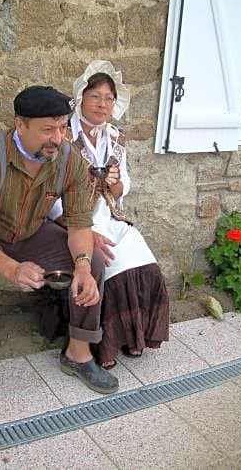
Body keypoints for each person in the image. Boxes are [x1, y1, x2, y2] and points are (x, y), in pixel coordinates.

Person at [0, 85, 119, 426]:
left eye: (62, 127)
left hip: (31, 232)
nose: (57, 137)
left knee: (95, 262)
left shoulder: (68, 157)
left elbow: (78, 223)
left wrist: (83, 266)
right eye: (47, 129)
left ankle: (78, 353)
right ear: (19, 125)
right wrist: (11, 269)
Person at [48, 60, 169, 369]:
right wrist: (84, 232)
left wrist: (112, 184)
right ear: (81, 98)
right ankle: (102, 345)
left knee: (143, 261)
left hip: (110, 216)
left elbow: (123, 183)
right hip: (72, 220)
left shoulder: (115, 136)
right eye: (95, 96)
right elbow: (50, 196)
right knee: (110, 265)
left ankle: (134, 337)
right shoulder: (64, 138)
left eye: (109, 98)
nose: (102, 104)